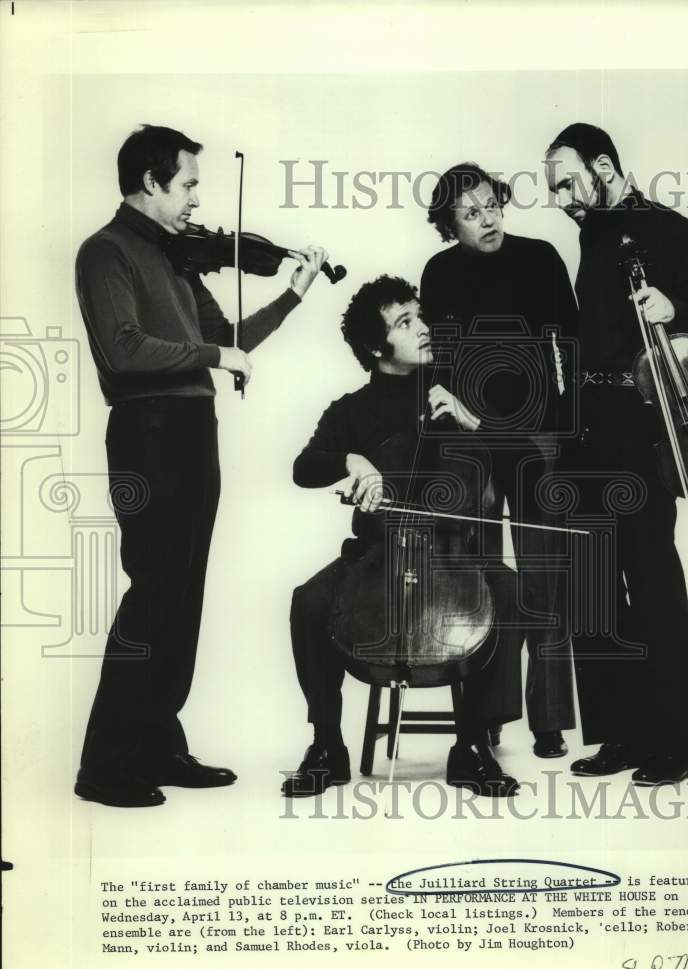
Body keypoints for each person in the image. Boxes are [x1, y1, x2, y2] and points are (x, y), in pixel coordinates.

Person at [74, 125, 328, 807]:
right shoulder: (105, 251)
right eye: (187, 184)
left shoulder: (176, 256)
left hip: (192, 431)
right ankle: (105, 765)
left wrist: (294, 294)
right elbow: (125, 348)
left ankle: (157, 745)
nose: (195, 199)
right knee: (154, 593)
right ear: (150, 182)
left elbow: (228, 339)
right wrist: (217, 358)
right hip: (147, 432)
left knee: (183, 597)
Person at [543, 122, 688, 785]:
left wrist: (674, 306)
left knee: (651, 577)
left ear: (604, 167)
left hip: (642, 426)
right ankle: (620, 734)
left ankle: (678, 744)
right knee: (590, 582)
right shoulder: (591, 234)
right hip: (588, 425)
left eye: (568, 182)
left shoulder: (671, 230)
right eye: (553, 189)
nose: (562, 198)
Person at [282, 275, 524, 798]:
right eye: (405, 322)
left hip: (454, 554)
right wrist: (352, 460)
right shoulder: (351, 410)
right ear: (376, 346)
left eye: (420, 316)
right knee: (308, 600)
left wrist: (470, 421)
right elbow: (303, 467)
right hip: (377, 553)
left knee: (507, 590)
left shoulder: (454, 389)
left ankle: (473, 745)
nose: (423, 328)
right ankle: (327, 744)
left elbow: (517, 455)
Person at [420, 163, 577, 760]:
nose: (488, 219)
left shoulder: (540, 258)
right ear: (449, 225)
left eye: (492, 205)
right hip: (471, 441)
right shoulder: (438, 272)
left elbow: (571, 344)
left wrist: (568, 427)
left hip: (537, 434)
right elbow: (437, 364)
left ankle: (549, 721)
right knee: (482, 582)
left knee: (545, 581)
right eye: (471, 213)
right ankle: (485, 716)